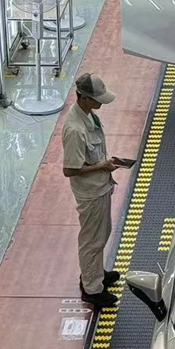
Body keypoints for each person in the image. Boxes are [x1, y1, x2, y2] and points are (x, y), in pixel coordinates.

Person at [63, 74, 130, 309]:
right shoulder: (75, 129)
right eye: (97, 99)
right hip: (90, 193)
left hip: (100, 186)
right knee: (92, 239)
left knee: (101, 232)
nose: (101, 103)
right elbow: (69, 170)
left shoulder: (89, 116)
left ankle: (96, 273)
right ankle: (91, 288)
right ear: (84, 98)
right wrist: (102, 166)